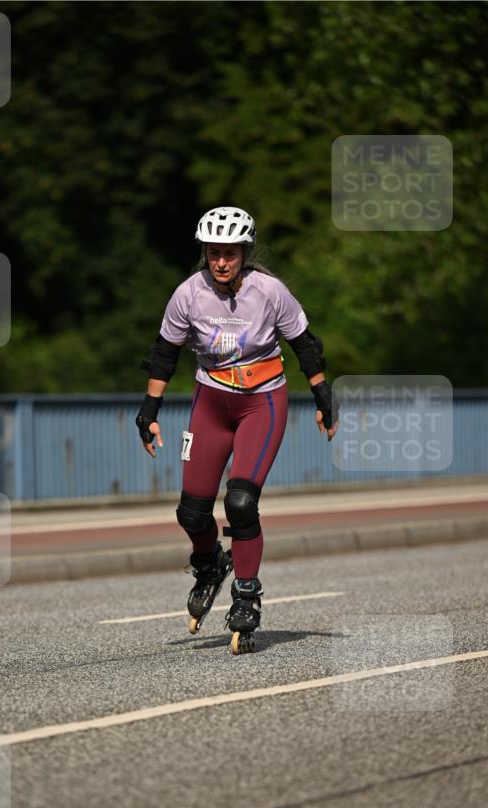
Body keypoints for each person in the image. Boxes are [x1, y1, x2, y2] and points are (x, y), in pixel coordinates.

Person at [136, 206, 338, 654]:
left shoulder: (270, 292)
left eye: (229, 253)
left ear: (245, 253)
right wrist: (149, 409)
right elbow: (165, 353)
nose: (221, 262)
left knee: (241, 502)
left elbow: (304, 345)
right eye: (213, 253)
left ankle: (246, 594)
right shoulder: (188, 294)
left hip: (262, 402)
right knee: (191, 514)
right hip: (211, 403)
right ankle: (210, 563)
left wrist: (322, 395)